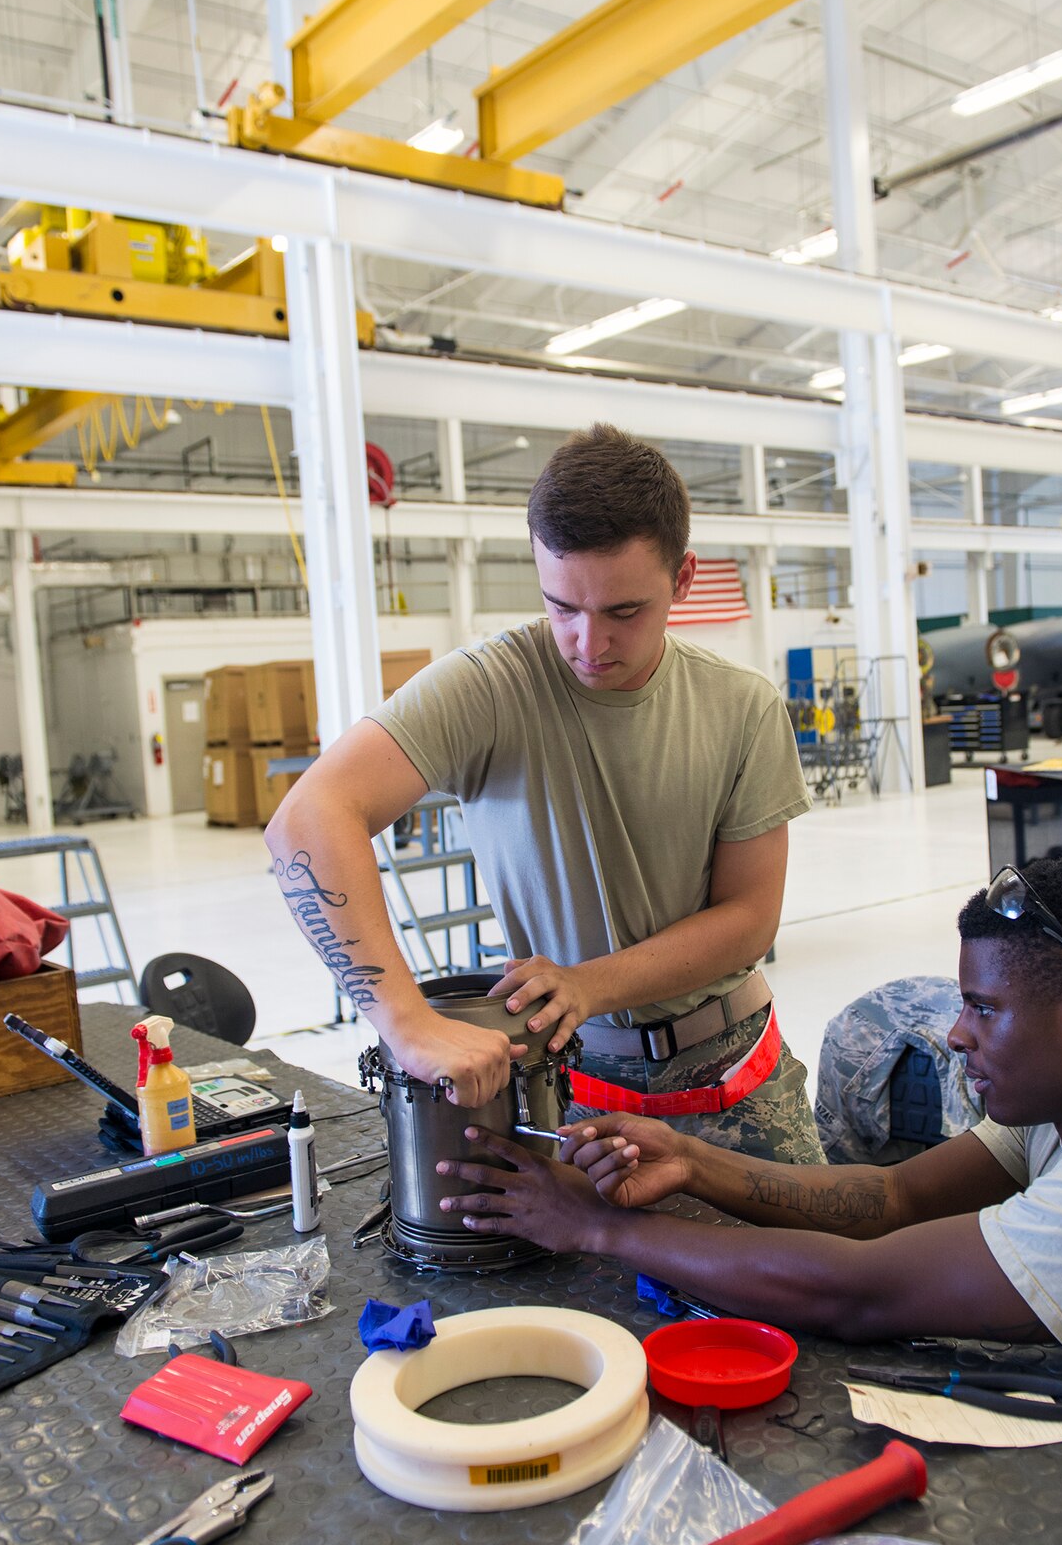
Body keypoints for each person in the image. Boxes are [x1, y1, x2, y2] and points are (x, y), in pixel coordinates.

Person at [437, 852, 1062, 1397]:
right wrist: (692, 1160)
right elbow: (889, 1198)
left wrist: (595, 1227)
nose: (957, 1032)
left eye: (984, 1009)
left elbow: (854, 1291)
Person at [266, 423, 822, 1162]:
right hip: (568, 1085)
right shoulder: (492, 687)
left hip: (732, 1080)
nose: (588, 644)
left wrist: (587, 983)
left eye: (623, 611)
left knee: (813, 1270)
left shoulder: (740, 706)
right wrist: (403, 1022)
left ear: (682, 581)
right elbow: (308, 818)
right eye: (562, 607)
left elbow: (749, 919)